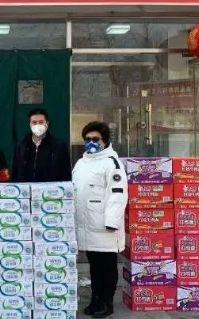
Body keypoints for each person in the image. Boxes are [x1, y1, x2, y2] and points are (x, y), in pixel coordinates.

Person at [73, 121, 128, 318]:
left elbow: (118, 194)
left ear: (104, 141)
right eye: (87, 139)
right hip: (86, 224)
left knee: (107, 267)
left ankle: (107, 302)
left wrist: (112, 222)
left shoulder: (112, 163)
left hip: (104, 226)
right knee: (94, 266)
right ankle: (96, 299)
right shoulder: (81, 163)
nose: (91, 143)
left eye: (95, 139)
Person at [11, 108, 71, 182]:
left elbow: (65, 174)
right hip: (26, 188)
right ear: (30, 124)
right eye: (34, 122)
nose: (37, 125)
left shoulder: (59, 146)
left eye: (41, 122)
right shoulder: (20, 147)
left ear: (47, 123)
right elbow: (15, 174)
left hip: (51, 189)